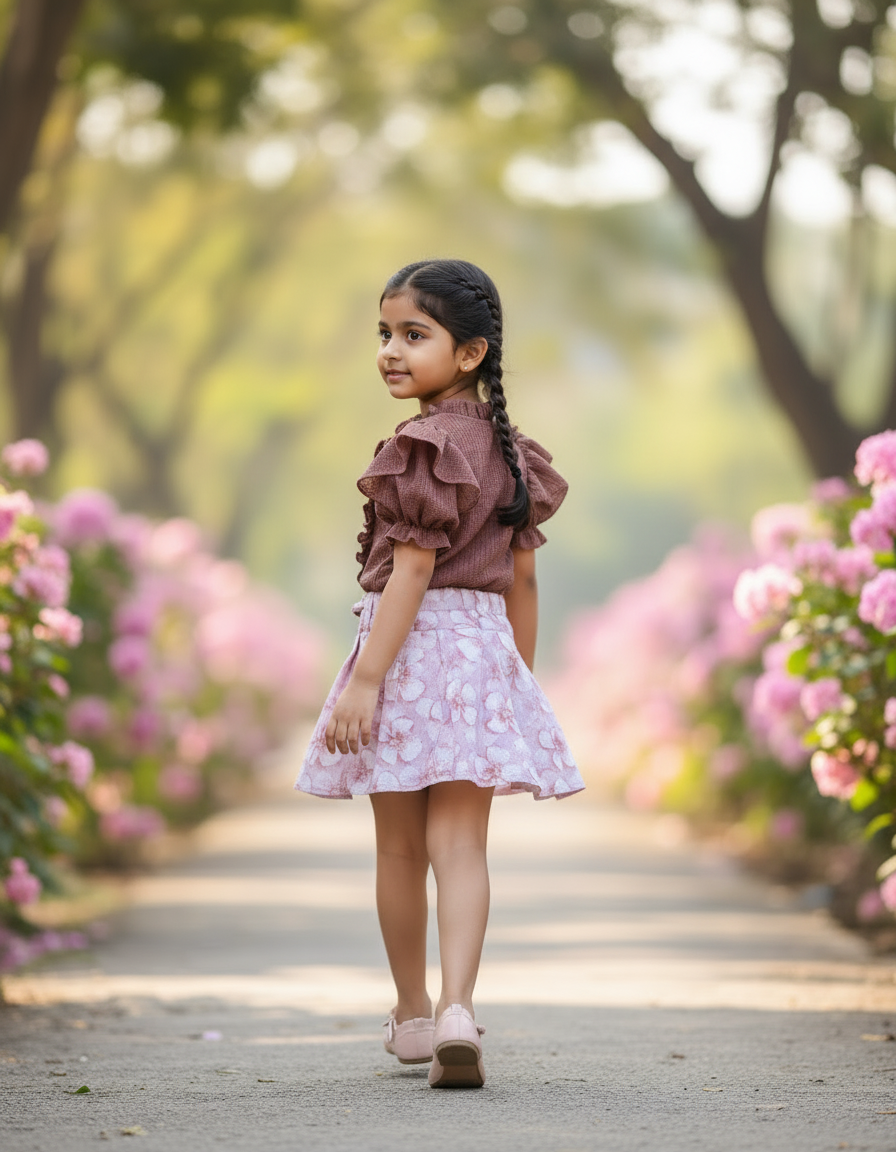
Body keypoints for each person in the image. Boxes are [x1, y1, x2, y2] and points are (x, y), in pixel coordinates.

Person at [296, 258, 584, 1088]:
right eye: (384, 334)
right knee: (463, 846)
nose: (390, 351)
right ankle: (462, 1006)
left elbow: (411, 573)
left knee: (399, 850)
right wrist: (513, 684)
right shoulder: (511, 455)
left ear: (469, 354)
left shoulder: (420, 445)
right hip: (480, 652)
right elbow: (524, 580)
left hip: (410, 650)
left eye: (413, 335)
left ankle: (414, 1015)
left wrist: (365, 680)